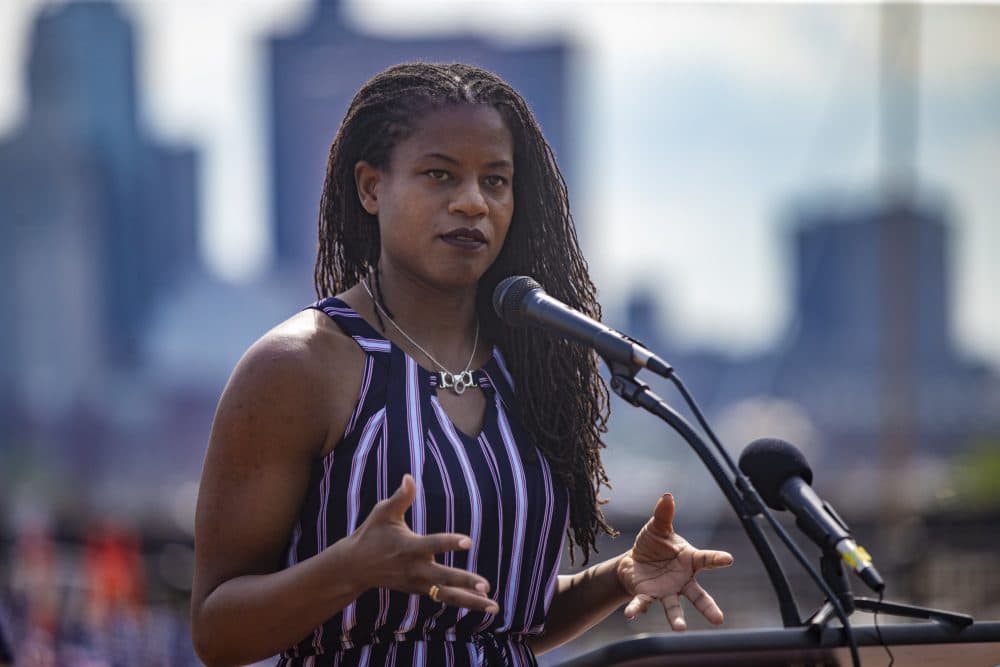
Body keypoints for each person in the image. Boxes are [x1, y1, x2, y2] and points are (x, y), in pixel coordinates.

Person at [191, 62, 734, 667]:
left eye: (495, 181)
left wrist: (621, 575)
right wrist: (347, 570)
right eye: (438, 175)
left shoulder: (527, 364)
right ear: (371, 187)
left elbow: (489, 621)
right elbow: (217, 632)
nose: (472, 202)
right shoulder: (300, 366)